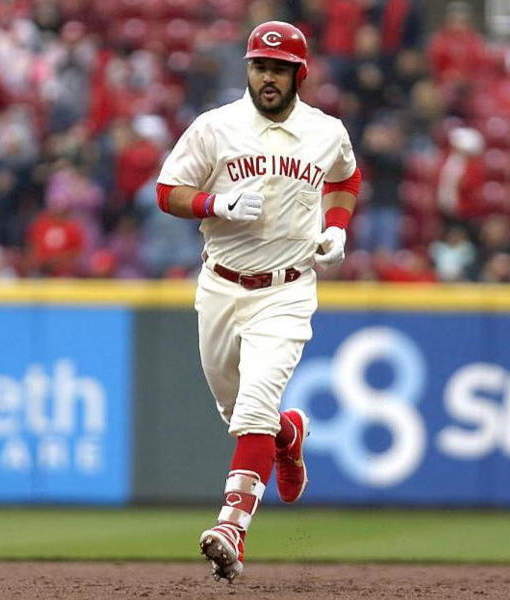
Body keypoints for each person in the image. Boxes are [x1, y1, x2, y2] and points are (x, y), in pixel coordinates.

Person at [155, 21, 360, 582]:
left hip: (286, 289)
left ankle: (232, 528)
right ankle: (287, 435)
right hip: (220, 286)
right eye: (260, 66)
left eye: (279, 68)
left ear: (299, 74)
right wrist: (214, 205)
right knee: (242, 414)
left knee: (251, 412)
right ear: (248, 69)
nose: (268, 77)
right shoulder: (215, 127)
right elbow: (166, 191)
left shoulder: (325, 131)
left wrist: (337, 227)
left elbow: (346, 178)